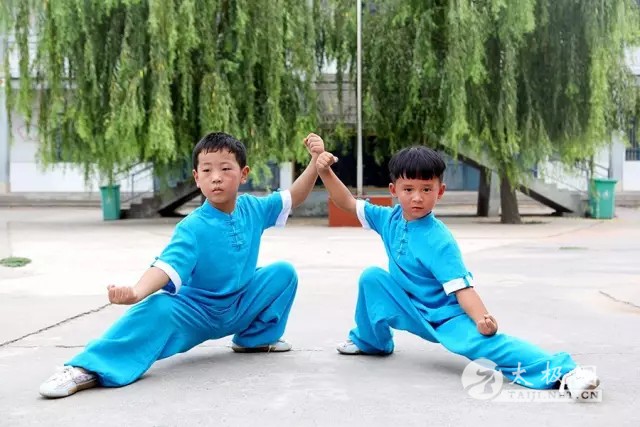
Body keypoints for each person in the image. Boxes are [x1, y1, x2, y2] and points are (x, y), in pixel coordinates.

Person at [39, 131, 325, 398]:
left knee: (282, 273)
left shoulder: (253, 208)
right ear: (197, 178)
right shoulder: (193, 226)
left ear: (243, 174)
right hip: (198, 314)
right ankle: (86, 368)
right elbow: (166, 267)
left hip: (239, 306)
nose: (216, 178)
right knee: (158, 307)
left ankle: (255, 339)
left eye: (226, 169)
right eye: (207, 170)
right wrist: (137, 292)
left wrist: (315, 162)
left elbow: (293, 197)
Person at [315, 146, 600, 398]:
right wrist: (324, 171)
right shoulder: (388, 218)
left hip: (445, 317)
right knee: (372, 278)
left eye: (427, 189)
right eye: (408, 189)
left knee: (489, 346)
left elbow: (462, 288)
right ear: (394, 190)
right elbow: (347, 202)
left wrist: (482, 318)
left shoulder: (439, 240)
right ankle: (372, 341)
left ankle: (566, 372)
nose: (417, 198)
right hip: (410, 306)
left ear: (440, 191)